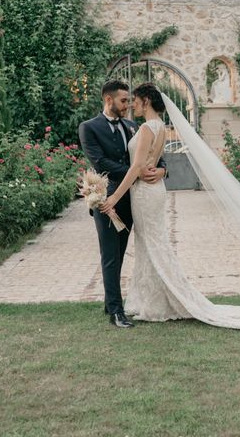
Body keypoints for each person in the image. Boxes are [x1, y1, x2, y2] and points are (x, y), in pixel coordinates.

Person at [101, 83, 240, 330]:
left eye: (135, 100)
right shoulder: (159, 126)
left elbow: (137, 168)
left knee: (153, 245)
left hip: (145, 194)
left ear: (146, 100)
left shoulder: (148, 128)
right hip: (152, 191)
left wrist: (114, 198)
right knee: (151, 244)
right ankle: (152, 300)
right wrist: (158, 170)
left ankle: (169, 299)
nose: (132, 105)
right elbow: (150, 163)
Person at [78, 80, 166, 328]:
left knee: (120, 251)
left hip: (133, 200)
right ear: (108, 100)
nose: (128, 105)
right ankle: (116, 311)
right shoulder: (89, 128)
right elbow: (101, 162)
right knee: (110, 255)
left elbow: (155, 155)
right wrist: (136, 171)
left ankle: (111, 301)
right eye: (124, 101)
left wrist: (162, 171)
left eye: (130, 101)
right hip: (106, 200)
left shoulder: (133, 125)